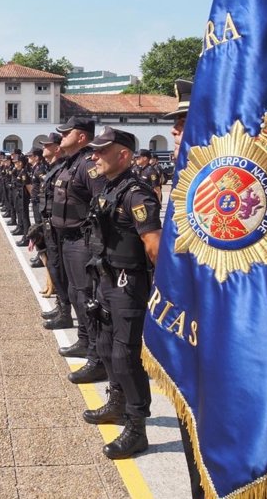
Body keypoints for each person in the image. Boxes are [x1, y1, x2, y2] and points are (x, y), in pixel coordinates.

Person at [82, 126, 162, 459]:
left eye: (102, 151)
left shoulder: (136, 193)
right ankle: (116, 403)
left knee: (126, 356)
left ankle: (136, 426)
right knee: (104, 344)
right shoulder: (108, 187)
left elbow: (154, 245)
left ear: (124, 155)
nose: (94, 155)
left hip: (128, 284)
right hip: (105, 279)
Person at [163, 78, 205, 498]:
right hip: (188, 325)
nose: (176, 132)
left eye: (183, 121)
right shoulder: (188, 178)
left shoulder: (217, 184)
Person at [51, 117, 108, 383]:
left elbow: (100, 204)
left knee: (86, 298)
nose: (61, 136)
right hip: (67, 238)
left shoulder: (88, 165)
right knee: (75, 293)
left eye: (66, 133)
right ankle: (84, 341)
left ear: (82, 136)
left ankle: (97, 359)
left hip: (82, 240)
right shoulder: (70, 162)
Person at [38, 132, 74, 331]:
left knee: (59, 269)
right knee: (54, 267)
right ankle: (61, 307)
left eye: (48, 145)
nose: (44, 147)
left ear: (57, 149)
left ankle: (65, 312)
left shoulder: (62, 168)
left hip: (58, 227)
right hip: (50, 225)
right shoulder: (54, 169)